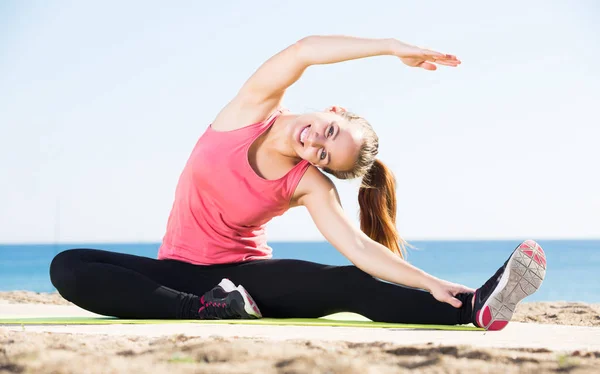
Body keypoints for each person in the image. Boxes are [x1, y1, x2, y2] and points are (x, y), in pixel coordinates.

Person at [49, 35, 546, 330]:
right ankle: (205, 311)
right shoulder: (250, 111)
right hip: (182, 276)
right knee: (68, 266)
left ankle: (473, 308)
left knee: (349, 283)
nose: (314, 144)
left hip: (245, 280)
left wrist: (433, 283)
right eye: (329, 131)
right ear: (334, 110)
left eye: (324, 154)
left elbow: (358, 249)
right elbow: (305, 50)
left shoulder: (307, 183)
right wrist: (392, 48)